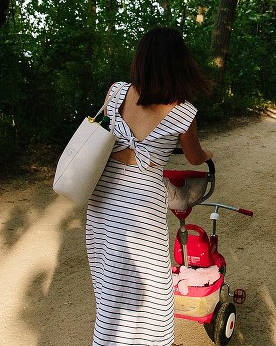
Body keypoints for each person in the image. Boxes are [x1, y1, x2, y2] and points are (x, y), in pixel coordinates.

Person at [85, 27, 213, 346]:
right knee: (151, 290)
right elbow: (195, 158)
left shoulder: (116, 92)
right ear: (179, 63)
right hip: (141, 203)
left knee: (111, 283)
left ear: (141, 60)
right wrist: (207, 153)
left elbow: (96, 132)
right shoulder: (183, 110)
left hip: (102, 198)